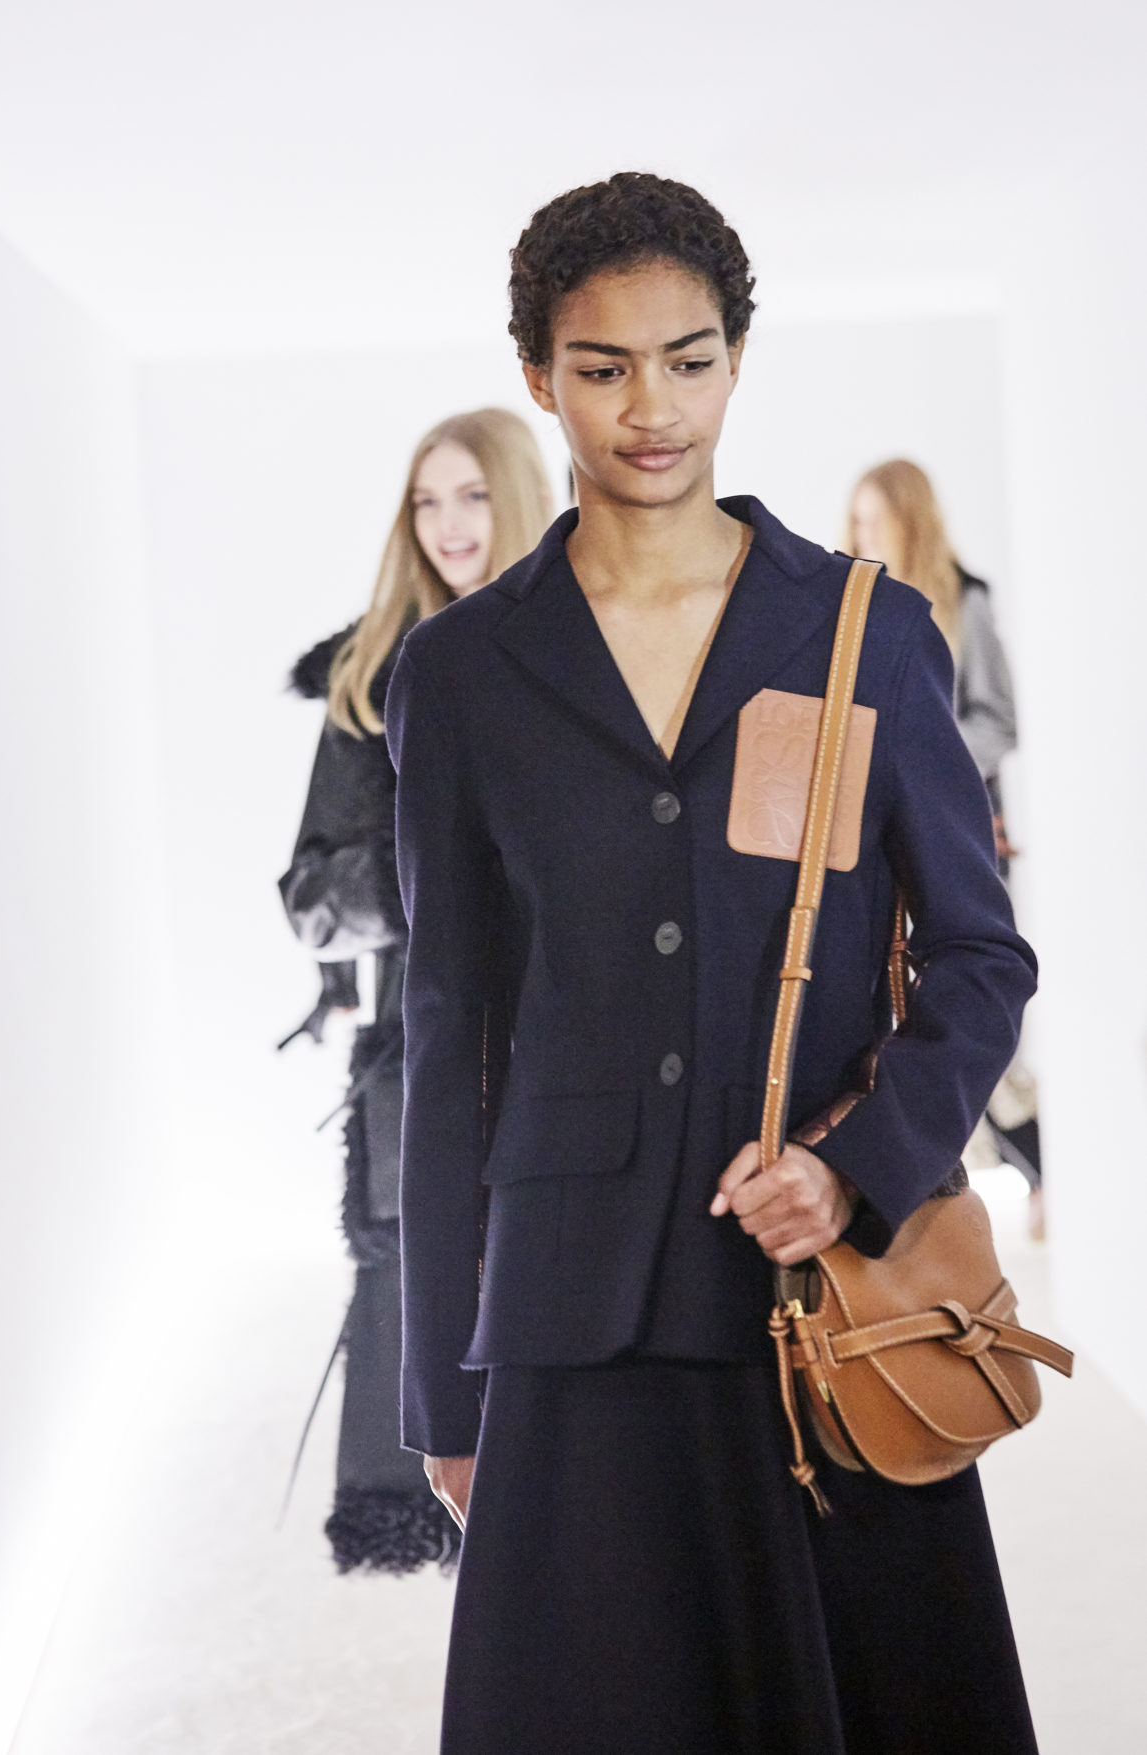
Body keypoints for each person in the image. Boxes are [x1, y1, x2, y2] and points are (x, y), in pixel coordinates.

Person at [386, 173, 1041, 1752]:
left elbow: (976, 954)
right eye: (602, 367)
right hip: (571, 1313)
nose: (651, 408)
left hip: (814, 1296)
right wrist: (442, 1390)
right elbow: (450, 1032)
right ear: (538, 374)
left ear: (736, 360)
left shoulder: (866, 631)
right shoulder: (461, 673)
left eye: (687, 360)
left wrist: (857, 1164)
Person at [279, 408, 553, 1573]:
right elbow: (312, 896)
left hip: (579, 1037)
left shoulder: (589, 644)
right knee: (432, 1302)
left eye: (473, 495)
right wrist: (443, 864)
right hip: (425, 1049)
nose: (447, 524)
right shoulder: (372, 672)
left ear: (518, 496)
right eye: (426, 501)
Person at [846, 459, 1043, 1230]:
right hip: (874, 840)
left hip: (959, 836)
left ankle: (1031, 1175)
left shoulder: (966, 600)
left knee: (972, 1005)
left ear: (909, 520)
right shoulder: (848, 612)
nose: (860, 533)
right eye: (855, 519)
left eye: (874, 519)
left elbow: (1000, 717)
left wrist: (928, 759)